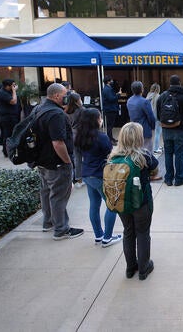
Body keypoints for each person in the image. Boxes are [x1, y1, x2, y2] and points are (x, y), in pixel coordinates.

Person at [109, 122, 158, 280]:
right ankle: (144, 268)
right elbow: (155, 170)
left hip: (122, 202)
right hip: (142, 202)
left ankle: (130, 268)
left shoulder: (113, 157)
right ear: (139, 138)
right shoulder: (144, 156)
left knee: (128, 232)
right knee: (143, 233)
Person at [35, 83, 84, 240]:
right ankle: (61, 229)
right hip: (56, 162)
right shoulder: (56, 114)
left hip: (42, 160)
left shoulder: (38, 109)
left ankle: (48, 222)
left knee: (46, 191)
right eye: (65, 94)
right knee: (58, 195)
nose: (67, 97)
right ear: (56, 96)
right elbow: (58, 142)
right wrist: (68, 162)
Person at [75, 108, 122, 247]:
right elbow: (109, 154)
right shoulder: (101, 137)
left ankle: (99, 235)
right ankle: (107, 238)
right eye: (100, 117)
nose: (101, 119)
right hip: (100, 175)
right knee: (112, 205)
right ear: (95, 120)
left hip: (87, 174)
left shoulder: (80, 136)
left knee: (94, 206)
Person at [157, 75, 183, 186]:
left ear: (170, 83)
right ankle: (179, 178)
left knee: (168, 154)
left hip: (166, 130)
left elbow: (158, 114)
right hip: (181, 130)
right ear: (180, 83)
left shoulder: (163, 96)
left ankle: (168, 178)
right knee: (179, 155)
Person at [126, 81, 157, 153]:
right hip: (144, 130)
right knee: (147, 153)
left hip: (133, 129)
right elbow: (151, 116)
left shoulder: (129, 100)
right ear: (142, 89)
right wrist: (152, 127)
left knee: (136, 152)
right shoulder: (144, 101)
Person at [65, 92, 86, 188]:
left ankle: (78, 179)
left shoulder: (66, 111)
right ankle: (86, 176)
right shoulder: (82, 110)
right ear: (77, 101)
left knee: (76, 158)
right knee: (85, 156)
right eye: (80, 99)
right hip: (82, 135)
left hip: (72, 135)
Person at [0, 79, 20, 158]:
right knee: (8, 134)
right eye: (12, 85)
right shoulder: (1, 93)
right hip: (7, 117)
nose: (14, 86)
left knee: (13, 134)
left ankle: (11, 150)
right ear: (7, 86)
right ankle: (6, 151)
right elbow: (13, 101)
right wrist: (14, 91)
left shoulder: (8, 92)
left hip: (13, 116)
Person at [102, 75, 121, 145]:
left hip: (110, 109)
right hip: (110, 110)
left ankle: (111, 138)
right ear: (108, 81)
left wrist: (116, 95)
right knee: (110, 126)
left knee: (111, 125)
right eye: (111, 80)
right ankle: (110, 140)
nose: (112, 81)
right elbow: (111, 99)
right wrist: (118, 95)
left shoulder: (108, 88)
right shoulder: (107, 89)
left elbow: (111, 97)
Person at [146, 83, 163, 154]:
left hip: (149, 117)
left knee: (149, 134)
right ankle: (156, 148)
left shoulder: (147, 96)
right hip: (157, 117)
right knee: (158, 133)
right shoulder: (159, 97)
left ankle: (148, 148)